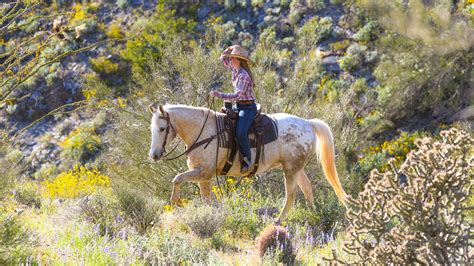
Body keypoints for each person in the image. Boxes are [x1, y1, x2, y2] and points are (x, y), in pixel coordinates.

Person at [210, 45, 257, 174]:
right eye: (230, 58)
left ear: (238, 60)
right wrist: (229, 49)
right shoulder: (235, 69)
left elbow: (238, 95)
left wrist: (219, 94)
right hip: (239, 105)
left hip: (247, 107)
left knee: (241, 132)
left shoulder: (243, 75)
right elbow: (222, 58)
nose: (229, 60)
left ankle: (247, 160)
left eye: (232, 58)